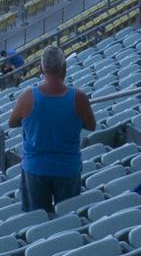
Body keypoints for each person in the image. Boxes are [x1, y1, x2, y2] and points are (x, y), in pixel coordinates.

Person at [10, 47, 96, 213]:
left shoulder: (28, 96)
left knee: (36, 220)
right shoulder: (79, 98)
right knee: (67, 218)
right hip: (67, 168)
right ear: (64, 68)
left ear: (41, 69)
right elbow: (91, 125)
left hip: (35, 168)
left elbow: (13, 122)